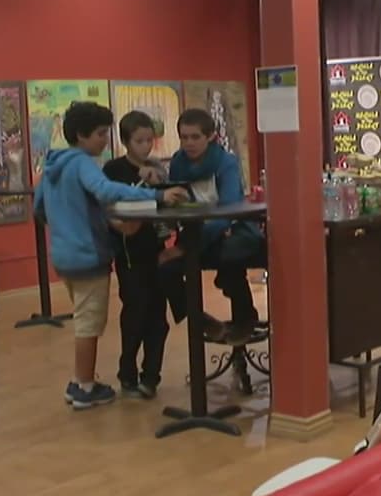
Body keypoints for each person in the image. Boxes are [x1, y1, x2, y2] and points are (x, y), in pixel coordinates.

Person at [34, 101, 188, 410]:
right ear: (82, 135)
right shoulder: (82, 164)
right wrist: (156, 195)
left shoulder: (53, 165)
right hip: (87, 257)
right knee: (88, 324)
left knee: (85, 318)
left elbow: (39, 208)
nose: (106, 140)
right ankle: (84, 386)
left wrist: (68, 227)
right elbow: (106, 191)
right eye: (101, 134)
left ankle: (80, 381)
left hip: (63, 255)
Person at [161, 109, 265, 345]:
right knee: (165, 269)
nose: (189, 143)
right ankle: (199, 319)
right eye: (184, 137)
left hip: (233, 232)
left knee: (231, 259)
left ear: (210, 137)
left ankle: (245, 319)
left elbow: (228, 211)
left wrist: (186, 247)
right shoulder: (178, 162)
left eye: (195, 137)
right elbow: (177, 206)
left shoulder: (226, 162)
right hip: (196, 233)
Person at [103, 111, 170, 399]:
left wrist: (159, 185)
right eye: (139, 141)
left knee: (158, 317)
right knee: (135, 313)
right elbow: (108, 205)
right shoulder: (113, 169)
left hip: (155, 250)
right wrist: (141, 187)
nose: (145, 146)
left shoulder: (157, 169)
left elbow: (166, 205)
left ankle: (151, 376)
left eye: (149, 140)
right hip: (129, 253)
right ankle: (127, 370)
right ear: (126, 141)